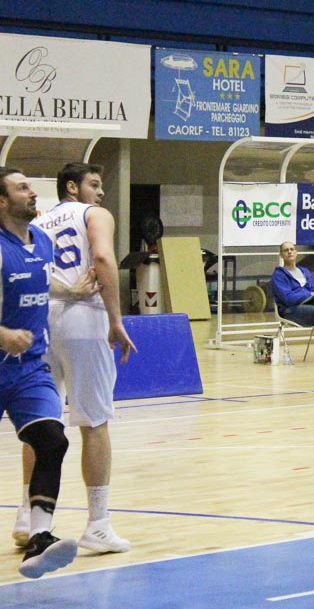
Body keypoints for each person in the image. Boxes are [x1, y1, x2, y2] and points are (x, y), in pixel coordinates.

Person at [14, 162, 138, 556]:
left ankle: (26, 515)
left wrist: (63, 290)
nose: (100, 193)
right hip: (84, 318)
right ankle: (98, 524)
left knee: (41, 422)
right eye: (95, 185)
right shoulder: (94, 215)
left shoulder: (38, 221)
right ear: (72, 187)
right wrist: (116, 320)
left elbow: (33, 271)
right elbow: (102, 258)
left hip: (43, 317)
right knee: (94, 421)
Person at [0, 167, 80, 578]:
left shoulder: (42, 241)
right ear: (1, 201)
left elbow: (40, 284)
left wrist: (71, 291)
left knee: (52, 440)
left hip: (30, 367)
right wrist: (2, 334)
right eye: (21, 188)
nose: (32, 193)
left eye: (31, 186)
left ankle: (39, 538)